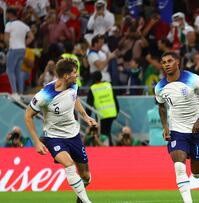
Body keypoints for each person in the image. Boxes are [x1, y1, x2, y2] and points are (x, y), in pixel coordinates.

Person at [24, 58, 96, 203]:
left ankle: (80, 198)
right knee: (69, 165)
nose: (77, 75)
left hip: (74, 136)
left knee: (86, 176)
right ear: (66, 76)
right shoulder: (44, 95)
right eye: (75, 73)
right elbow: (28, 116)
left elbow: (74, 98)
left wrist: (85, 116)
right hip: (54, 137)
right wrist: (37, 142)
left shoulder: (73, 85)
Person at [155, 51, 199, 203]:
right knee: (179, 165)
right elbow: (161, 106)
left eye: (170, 61)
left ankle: (190, 154)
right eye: (164, 62)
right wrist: (165, 127)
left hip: (198, 131)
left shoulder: (193, 79)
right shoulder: (160, 87)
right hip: (177, 131)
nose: (167, 64)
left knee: (196, 173)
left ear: (178, 62)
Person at [4, 7, 34, 97]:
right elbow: (31, 37)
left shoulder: (9, 24)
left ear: (9, 14)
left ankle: (14, 92)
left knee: (10, 70)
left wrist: (9, 46)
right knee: (18, 71)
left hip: (14, 49)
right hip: (22, 49)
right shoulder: (23, 25)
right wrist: (24, 43)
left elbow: (6, 39)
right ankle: (20, 93)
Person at [86, 71, 119, 146]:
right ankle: (110, 146)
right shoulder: (108, 85)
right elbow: (114, 98)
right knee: (107, 132)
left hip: (102, 115)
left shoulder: (93, 88)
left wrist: (88, 117)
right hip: (112, 113)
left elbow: (89, 104)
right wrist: (117, 110)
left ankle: (108, 148)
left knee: (104, 134)